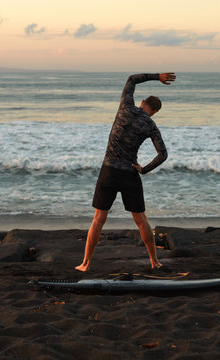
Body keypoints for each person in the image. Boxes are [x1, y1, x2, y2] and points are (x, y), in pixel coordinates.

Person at [75, 72, 176, 272]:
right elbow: (163, 154)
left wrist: (158, 76)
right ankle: (154, 262)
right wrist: (144, 169)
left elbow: (131, 79)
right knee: (141, 219)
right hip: (130, 174)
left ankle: (85, 264)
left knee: (99, 218)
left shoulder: (125, 107)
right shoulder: (150, 125)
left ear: (142, 102)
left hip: (109, 171)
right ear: (154, 112)